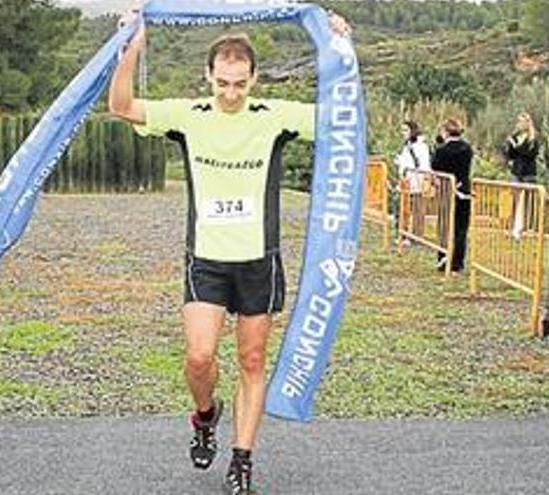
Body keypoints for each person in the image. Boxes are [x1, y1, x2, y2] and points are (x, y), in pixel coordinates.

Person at [107, 10, 351, 495]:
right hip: (207, 259)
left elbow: (346, 117)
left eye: (240, 84)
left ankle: (242, 459)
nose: (232, 93)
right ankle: (205, 414)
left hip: (259, 260)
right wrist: (131, 47)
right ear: (209, 76)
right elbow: (121, 106)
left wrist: (342, 49)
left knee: (252, 360)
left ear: (254, 78)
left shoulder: (276, 116)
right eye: (223, 83)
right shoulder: (188, 116)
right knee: (199, 358)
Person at [431, 118, 473, 272]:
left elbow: (435, 166)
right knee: (461, 229)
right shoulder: (467, 149)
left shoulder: (442, 150)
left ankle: (443, 257)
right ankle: (458, 262)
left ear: (445, 132)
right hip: (464, 189)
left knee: (444, 225)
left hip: (447, 189)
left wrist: (437, 146)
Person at [504, 112, 540, 238]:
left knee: (529, 201)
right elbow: (511, 155)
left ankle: (528, 227)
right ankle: (513, 227)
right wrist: (510, 146)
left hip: (528, 172)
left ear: (527, 123)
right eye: (518, 121)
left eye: (521, 121)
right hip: (516, 171)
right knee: (514, 199)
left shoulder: (533, 138)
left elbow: (530, 154)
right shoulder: (516, 136)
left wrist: (516, 146)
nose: (519, 124)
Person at [394, 120, 431, 244]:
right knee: (403, 209)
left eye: (405, 130)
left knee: (417, 210)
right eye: (402, 130)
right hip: (406, 181)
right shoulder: (407, 145)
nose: (403, 133)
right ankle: (403, 234)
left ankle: (416, 236)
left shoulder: (421, 146)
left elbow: (424, 165)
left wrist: (425, 180)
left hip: (416, 181)